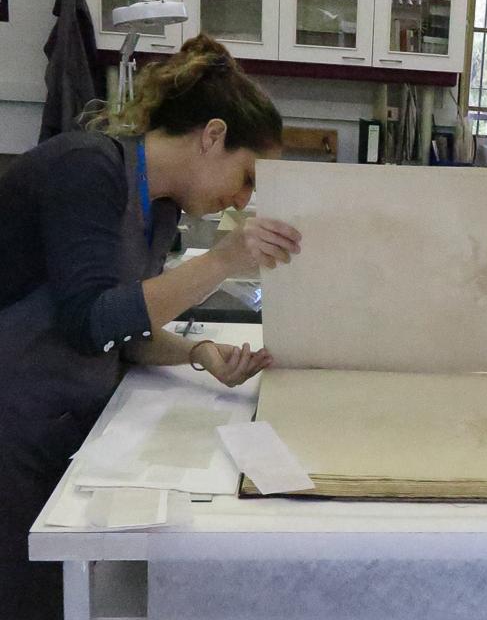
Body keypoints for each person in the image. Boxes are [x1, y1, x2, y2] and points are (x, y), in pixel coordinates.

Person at [0, 34, 301, 619]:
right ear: (213, 136)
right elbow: (90, 322)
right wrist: (222, 262)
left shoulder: (159, 208)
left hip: (59, 418)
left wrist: (199, 352)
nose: (240, 199)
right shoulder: (86, 169)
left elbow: (125, 331)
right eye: (245, 177)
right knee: (28, 597)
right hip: (11, 425)